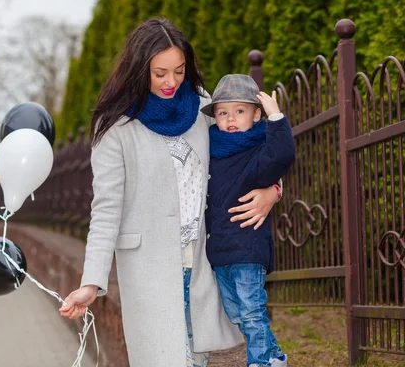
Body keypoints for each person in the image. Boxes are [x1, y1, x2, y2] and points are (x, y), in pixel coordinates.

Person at [59, 19, 281, 367]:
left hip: (205, 261)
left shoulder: (203, 109)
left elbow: (248, 152)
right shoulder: (114, 126)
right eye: (160, 73)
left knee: (196, 358)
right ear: (138, 69)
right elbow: (105, 210)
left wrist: (273, 189)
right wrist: (91, 282)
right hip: (150, 267)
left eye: (179, 71)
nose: (171, 82)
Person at [200, 74, 296, 367]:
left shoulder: (258, 152)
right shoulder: (210, 151)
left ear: (256, 115)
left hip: (249, 247)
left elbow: (283, 156)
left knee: (253, 311)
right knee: (237, 312)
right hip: (220, 252)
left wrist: (276, 117)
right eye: (223, 112)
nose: (231, 118)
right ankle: (274, 355)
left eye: (240, 111)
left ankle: (260, 362)